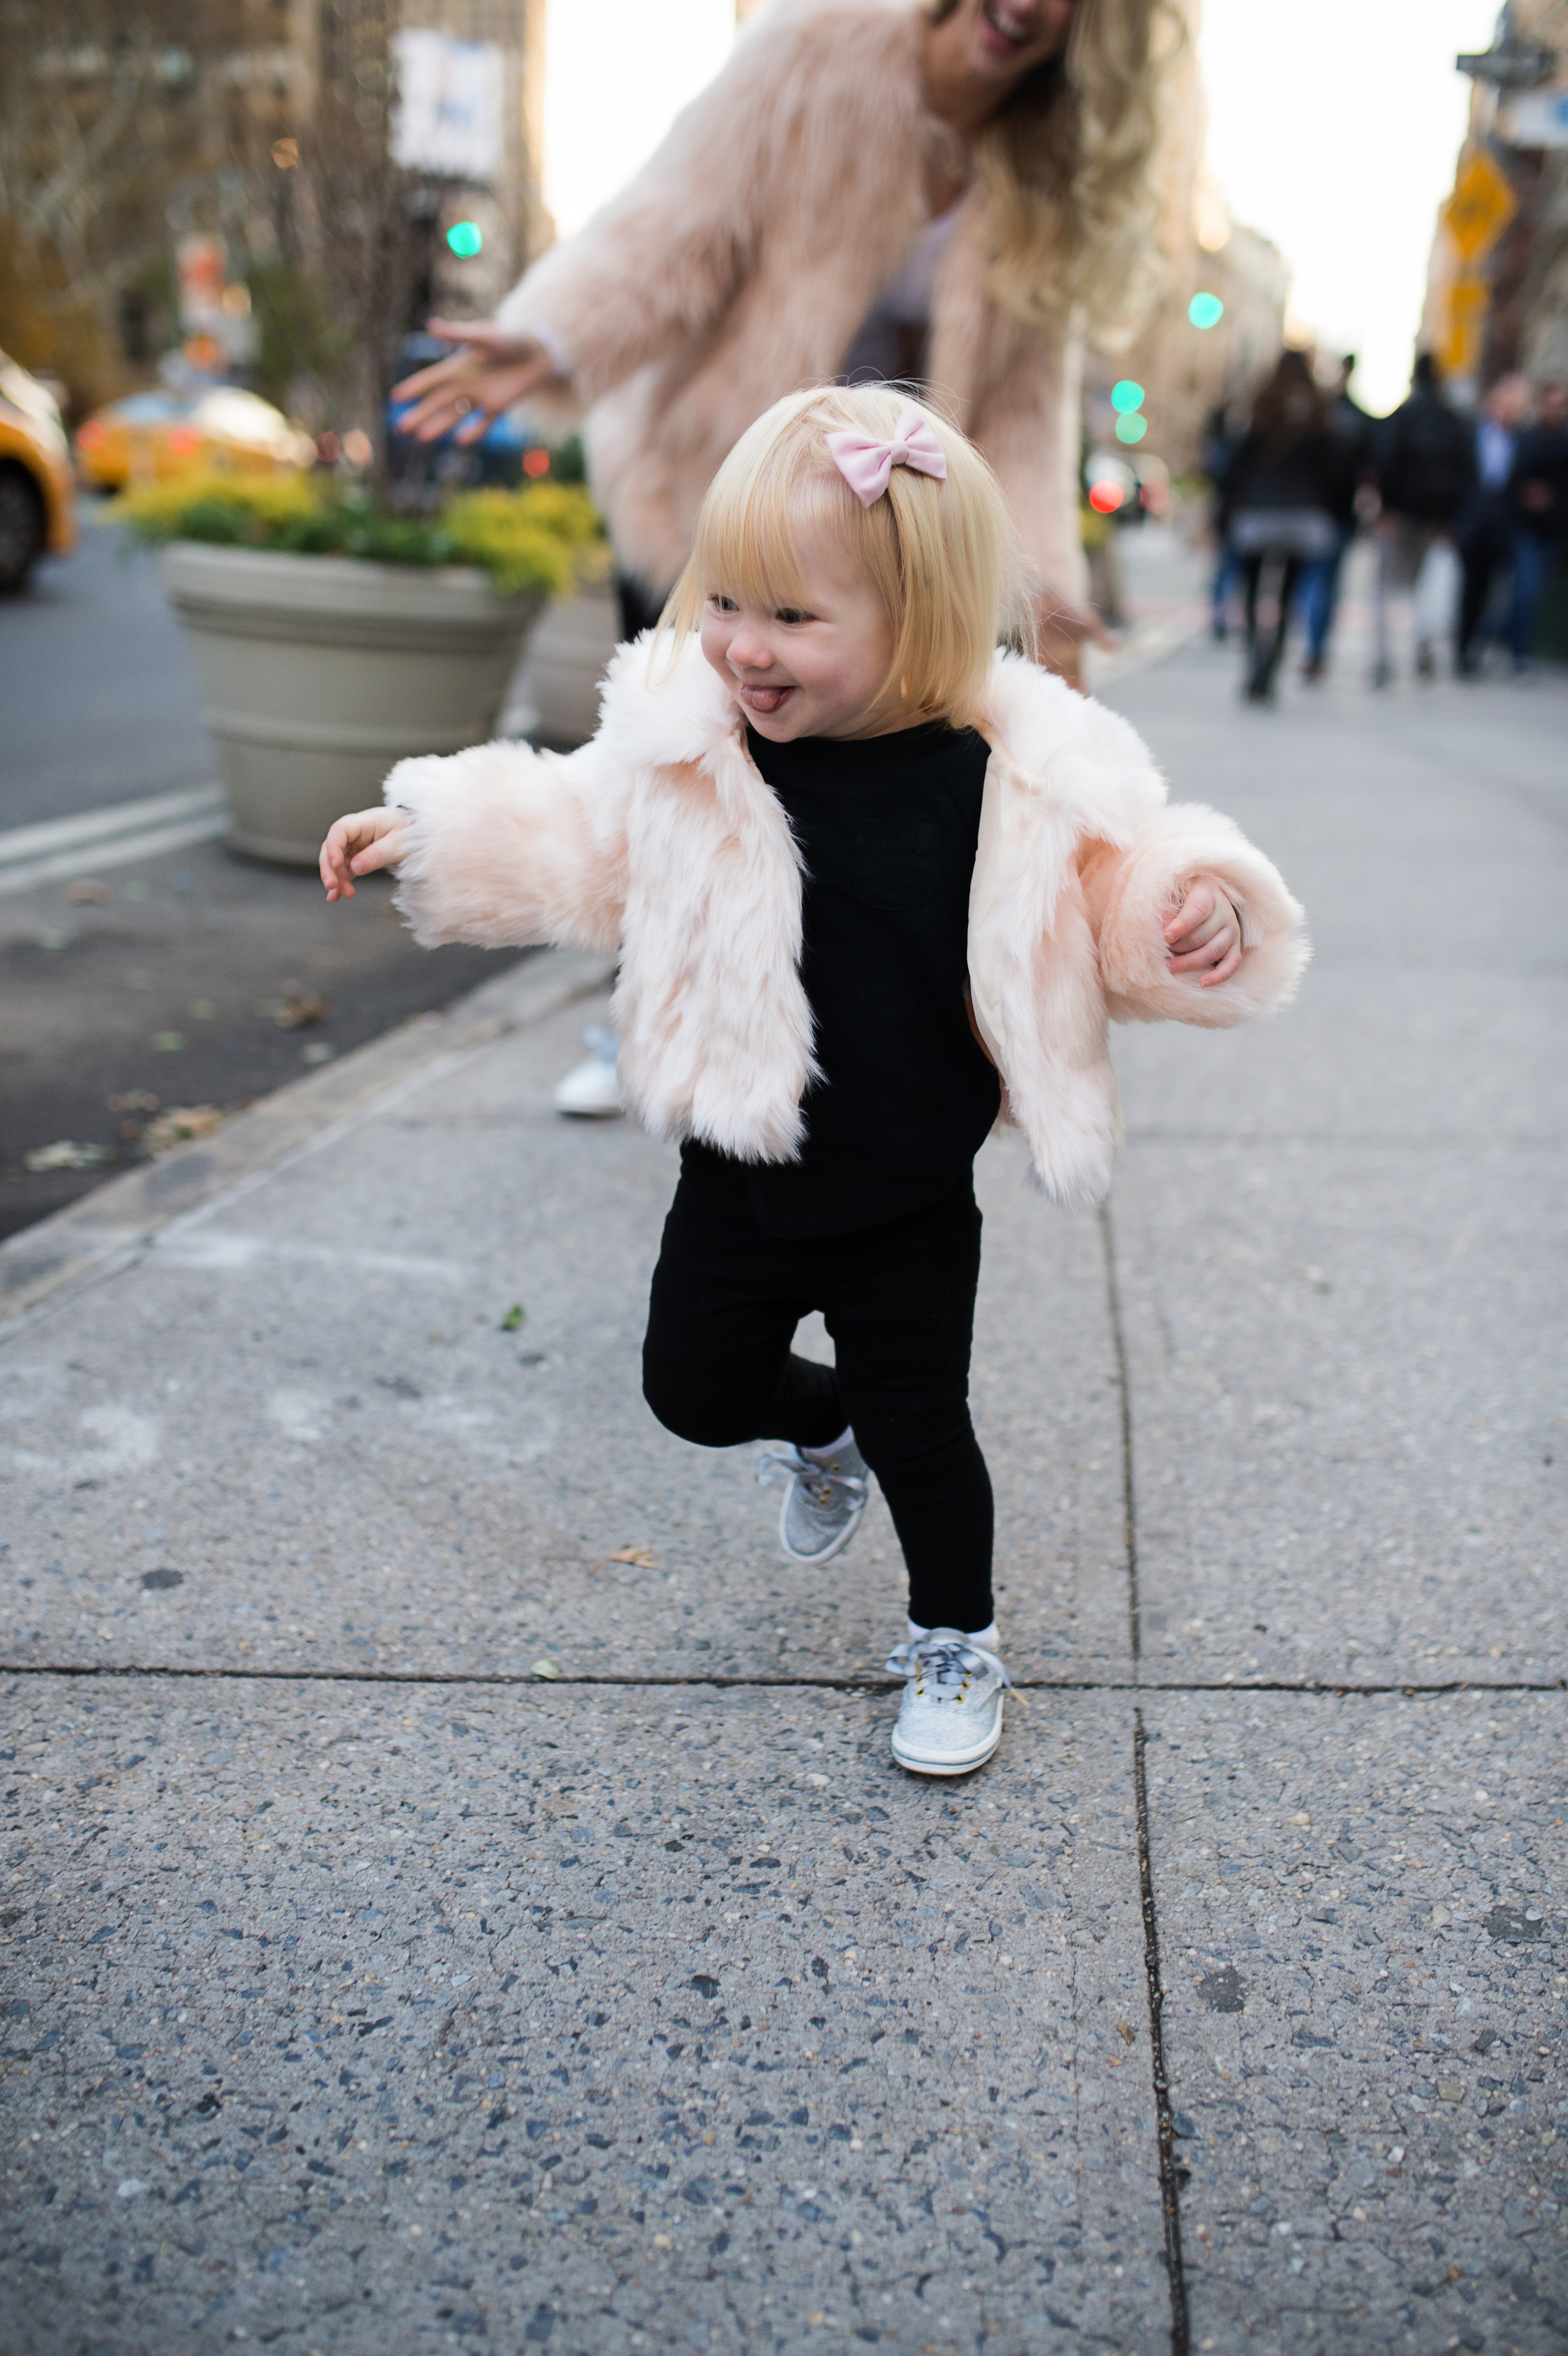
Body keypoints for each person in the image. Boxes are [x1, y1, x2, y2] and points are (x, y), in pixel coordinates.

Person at [319, 384, 1308, 1778]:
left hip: (908, 1188)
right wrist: (427, 831)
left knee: (927, 1425)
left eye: (793, 618)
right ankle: (814, 1417)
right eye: (728, 600)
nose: (741, 648)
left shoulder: (1004, 778)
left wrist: (1188, 907)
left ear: (915, 623)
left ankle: (956, 1632)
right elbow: (568, 822)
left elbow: (1113, 889)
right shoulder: (690, 752)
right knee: (691, 1386)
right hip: (737, 1158)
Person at [391, 0, 1176, 1115]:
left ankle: (802, 1028)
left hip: (874, 542)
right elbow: (674, 222)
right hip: (723, 498)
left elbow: (1020, 408)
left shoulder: (1038, 166)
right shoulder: (817, 49)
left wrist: (1036, 583)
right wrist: (551, 334)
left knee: (836, 784)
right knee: (679, 772)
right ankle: (648, 1026)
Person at [1220, 351, 1338, 704]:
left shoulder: (1262, 407)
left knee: (1254, 592)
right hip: (1303, 516)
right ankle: (1271, 668)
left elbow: (1237, 464)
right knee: (1288, 597)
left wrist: (1229, 509)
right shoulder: (1319, 414)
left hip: (1259, 513)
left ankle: (1255, 663)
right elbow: (1332, 470)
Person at [1369, 352, 1475, 686]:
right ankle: (1422, 642)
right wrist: (1452, 517)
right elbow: (1468, 471)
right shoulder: (1454, 421)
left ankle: (1382, 656)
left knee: (1386, 585)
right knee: (1423, 584)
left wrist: (1385, 509)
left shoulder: (1404, 416)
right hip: (1436, 516)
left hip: (1401, 513)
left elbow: (1385, 462)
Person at [1299, 353, 1372, 681]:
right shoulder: (1357, 418)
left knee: (1313, 581)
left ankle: (1313, 647)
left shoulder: (1318, 416)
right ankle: (1316, 648)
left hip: (1318, 511)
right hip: (1338, 513)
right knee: (1326, 583)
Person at [1455, 371, 1532, 677]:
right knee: (1471, 590)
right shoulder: (1472, 432)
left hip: (1505, 526)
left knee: (1498, 594)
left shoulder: (1524, 439)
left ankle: (1482, 644)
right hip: (1473, 523)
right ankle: (1464, 649)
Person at [1504, 377, 1568, 673]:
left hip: (1553, 529)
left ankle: (1503, 635)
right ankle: (1519, 652)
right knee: (1526, 590)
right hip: (1525, 527)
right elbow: (1511, 479)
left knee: (1536, 591)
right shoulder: (1527, 438)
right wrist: (1528, 494)